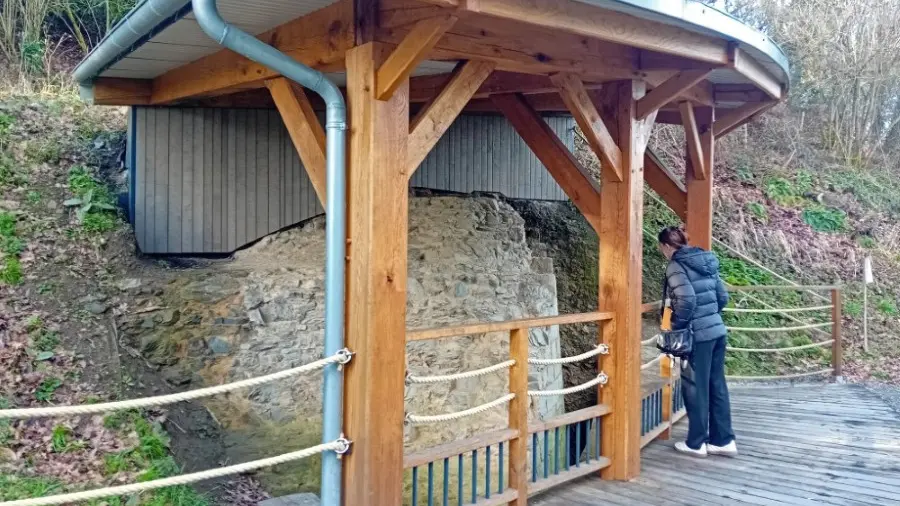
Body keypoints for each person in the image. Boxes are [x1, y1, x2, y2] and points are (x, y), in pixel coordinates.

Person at [658, 225, 737, 458]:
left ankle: (696, 443)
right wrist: (710, 316)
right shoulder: (706, 260)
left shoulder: (676, 265)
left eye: (662, 248)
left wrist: (677, 326)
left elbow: (686, 300)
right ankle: (723, 441)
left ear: (666, 246)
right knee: (717, 385)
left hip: (697, 336)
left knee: (695, 387)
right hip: (717, 331)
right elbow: (722, 296)